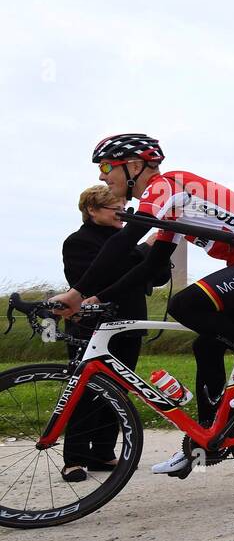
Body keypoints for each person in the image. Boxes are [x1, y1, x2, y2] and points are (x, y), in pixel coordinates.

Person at [50, 134, 234, 476]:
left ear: (135, 166)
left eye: (107, 166)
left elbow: (126, 239)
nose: (101, 176)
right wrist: (98, 296)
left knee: (186, 305)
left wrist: (77, 292)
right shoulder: (173, 207)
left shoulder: (165, 186)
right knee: (206, 347)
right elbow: (149, 266)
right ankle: (204, 441)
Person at [58, 186, 170, 481]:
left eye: (124, 205)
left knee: (119, 389)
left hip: (129, 322)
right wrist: (143, 250)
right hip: (91, 327)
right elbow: (93, 277)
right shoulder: (78, 241)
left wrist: (159, 251)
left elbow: (155, 278)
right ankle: (75, 457)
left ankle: (103, 452)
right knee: (86, 389)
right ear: (92, 210)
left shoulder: (126, 242)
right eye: (114, 207)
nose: (123, 211)